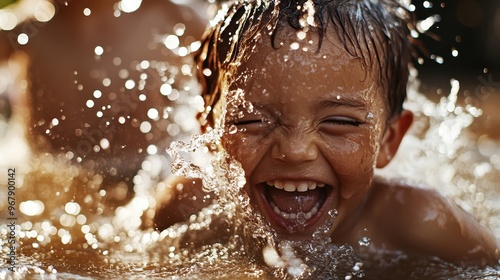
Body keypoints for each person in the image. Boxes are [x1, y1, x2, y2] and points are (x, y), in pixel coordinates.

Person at [153, 0, 499, 267]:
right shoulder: (189, 211)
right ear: (210, 132)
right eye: (250, 121)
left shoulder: (419, 223)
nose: (295, 150)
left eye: (341, 122)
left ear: (388, 140)